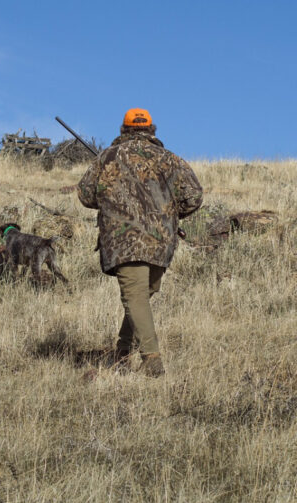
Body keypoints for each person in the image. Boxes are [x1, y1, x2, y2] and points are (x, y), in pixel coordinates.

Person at [77, 108, 203, 377]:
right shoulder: (170, 160)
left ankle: (146, 360)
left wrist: (113, 195)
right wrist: (171, 211)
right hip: (160, 242)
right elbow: (194, 197)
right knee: (139, 297)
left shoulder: (107, 157)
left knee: (138, 298)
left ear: (124, 129)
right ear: (151, 129)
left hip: (123, 239)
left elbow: (85, 195)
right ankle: (132, 356)